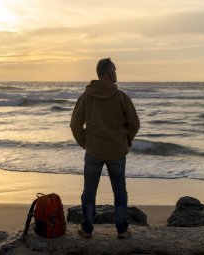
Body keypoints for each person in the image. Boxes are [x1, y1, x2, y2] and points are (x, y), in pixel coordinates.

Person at [70, 58, 140, 239]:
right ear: (109, 73)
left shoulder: (87, 96)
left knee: (89, 192)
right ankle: (122, 230)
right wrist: (126, 141)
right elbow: (135, 124)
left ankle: (86, 229)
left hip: (94, 151)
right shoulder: (121, 97)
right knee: (120, 192)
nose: (116, 73)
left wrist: (86, 143)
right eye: (115, 70)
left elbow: (75, 125)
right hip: (117, 151)